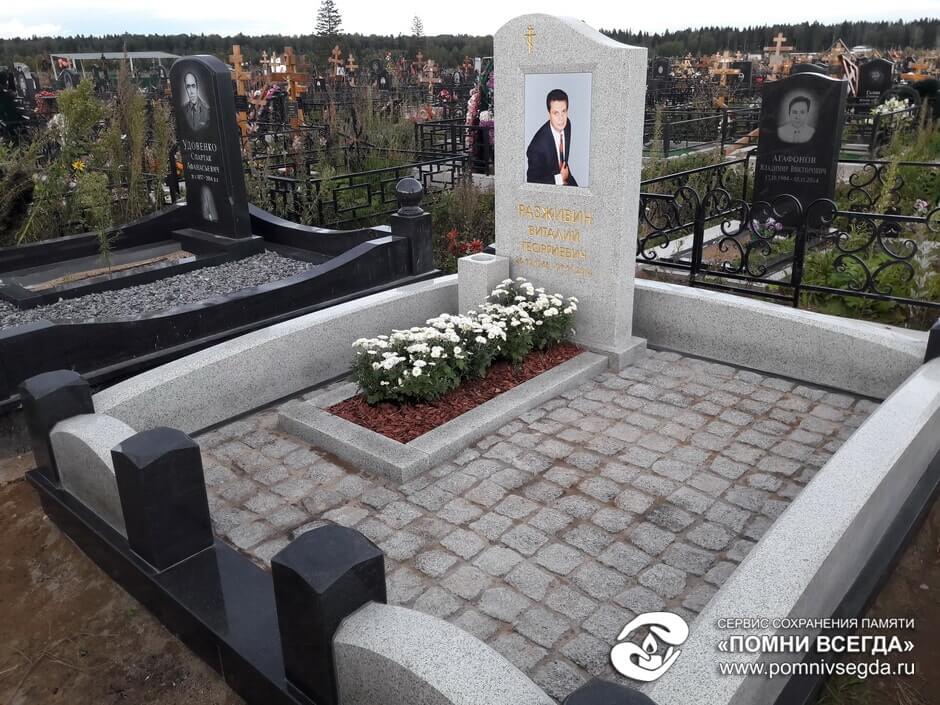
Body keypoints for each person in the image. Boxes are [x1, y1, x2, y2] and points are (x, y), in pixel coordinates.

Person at [526, 88, 578, 186]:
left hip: (566, 176)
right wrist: (560, 178)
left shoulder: (567, 124)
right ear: (549, 114)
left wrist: (565, 176)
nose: (561, 118)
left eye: (564, 111)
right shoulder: (536, 147)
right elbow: (532, 183)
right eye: (556, 113)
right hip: (550, 185)